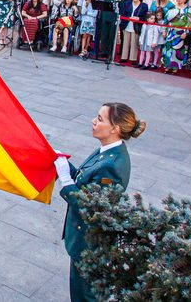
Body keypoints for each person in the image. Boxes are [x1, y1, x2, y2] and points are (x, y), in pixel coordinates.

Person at [54, 102, 145, 302]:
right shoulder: (107, 149)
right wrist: (63, 164)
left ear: (115, 128)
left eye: (100, 119)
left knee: (85, 296)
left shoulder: (112, 165)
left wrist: (66, 182)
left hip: (90, 244)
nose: (93, 121)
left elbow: (93, 207)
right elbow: (87, 179)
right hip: (82, 239)